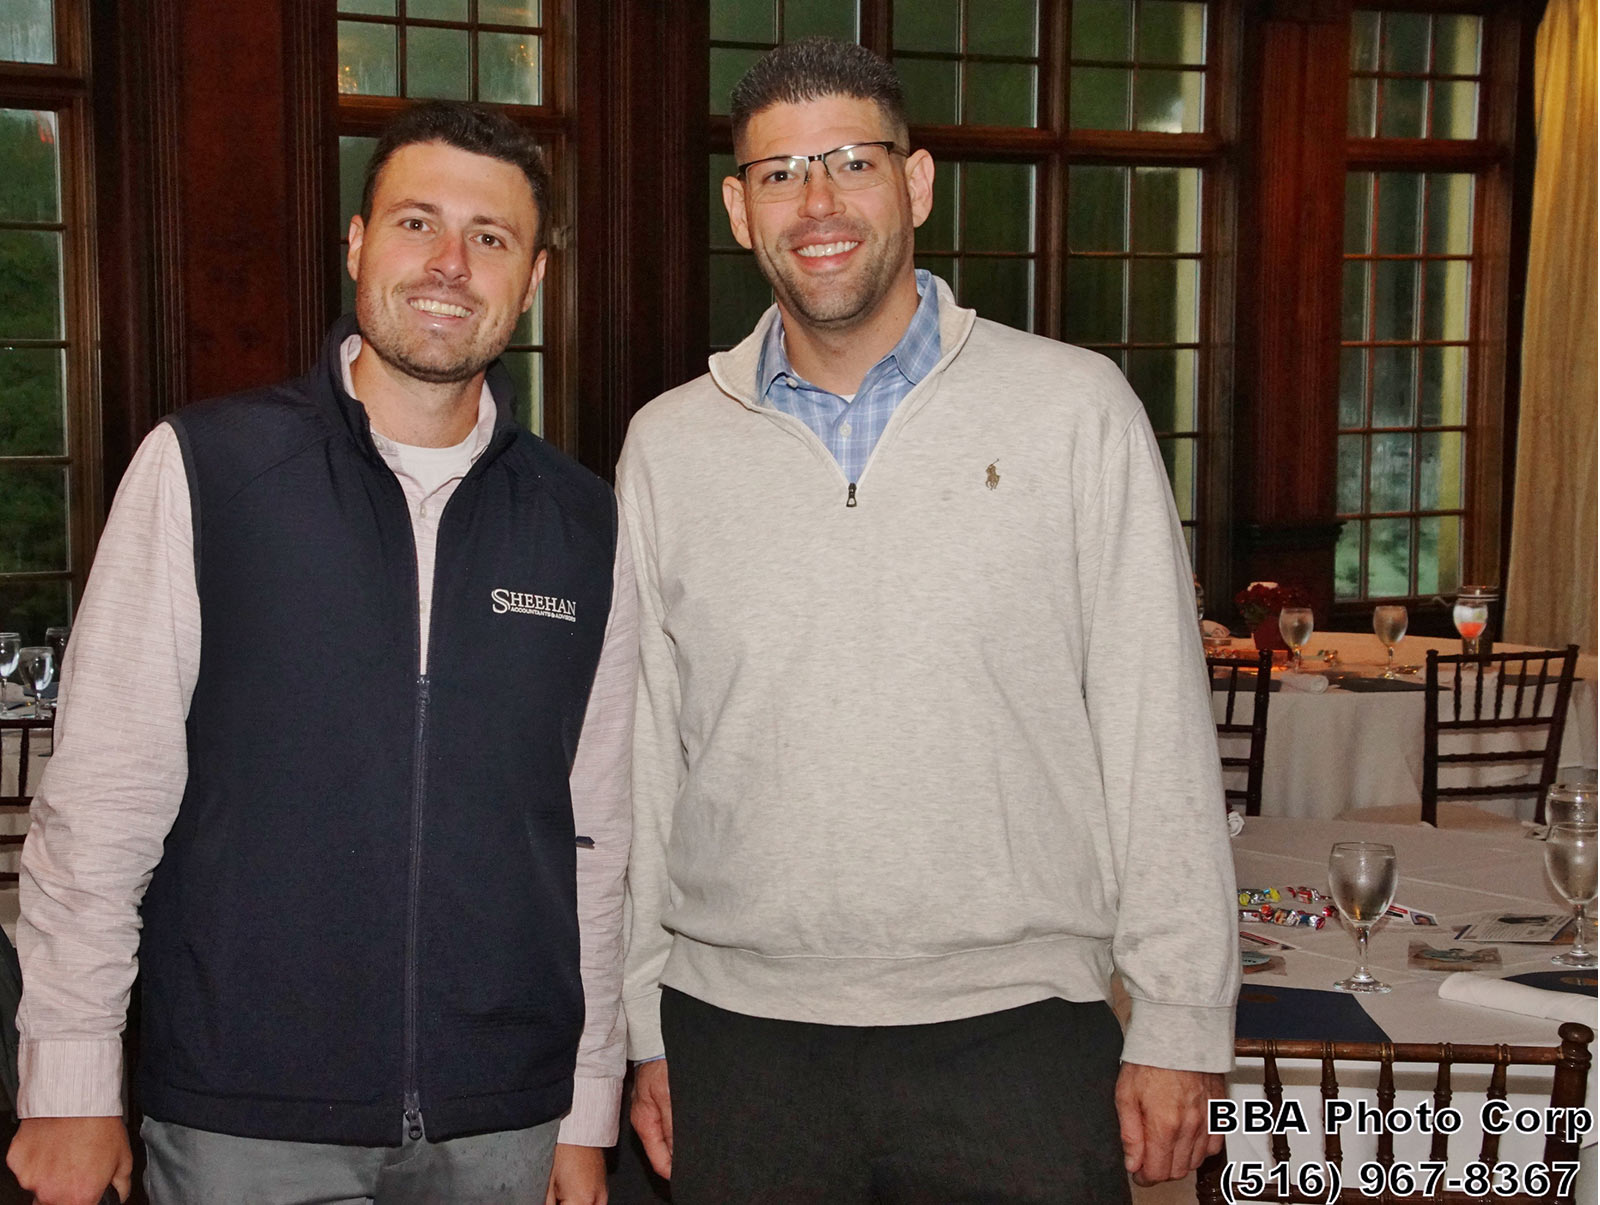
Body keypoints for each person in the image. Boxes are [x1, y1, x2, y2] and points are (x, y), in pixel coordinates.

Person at [618, 38, 1238, 1203]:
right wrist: (635, 1023)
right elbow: (641, 764)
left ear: (916, 182)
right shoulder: (667, 447)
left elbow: (1157, 729)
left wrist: (1182, 1013)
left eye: (852, 161)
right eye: (779, 173)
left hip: (1019, 1033)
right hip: (734, 1041)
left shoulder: (1075, 410)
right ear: (739, 212)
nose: (817, 203)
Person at [6, 100, 633, 1205]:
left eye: (490, 237)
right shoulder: (207, 469)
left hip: (504, 1117)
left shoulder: (583, 522)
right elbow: (103, 794)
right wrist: (69, 1076)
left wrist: (586, 1102)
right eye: (416, 223)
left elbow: (596, 831)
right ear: (356, 245)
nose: (449, 263)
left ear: (533, 279)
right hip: (243, 1113)